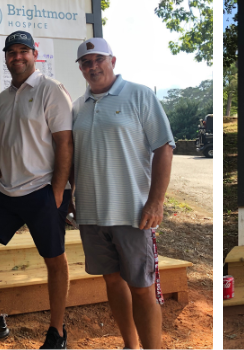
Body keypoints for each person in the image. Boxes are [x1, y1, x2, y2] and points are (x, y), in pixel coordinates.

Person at [0, 32, 75, 349]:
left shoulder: (51, 90)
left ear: (34, 54)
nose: (17, 56)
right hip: (6, 190)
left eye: (23, 50)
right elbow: (5, 144)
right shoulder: (3, 97)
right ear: (6, 58)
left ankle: (57, 332)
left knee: (54, 260)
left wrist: (57, 191)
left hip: (43, 189)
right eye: (11, 52)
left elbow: (65, 142)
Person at [70, 38, 175, 350]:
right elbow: (74, 159)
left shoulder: (139, 95)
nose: (92, 66)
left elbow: (164, 147)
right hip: (91, 215)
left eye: (98, 59)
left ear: (112, 61)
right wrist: (70, 197)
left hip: (133, 213)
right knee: (112, 281)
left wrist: (156, 201)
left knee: (142, 288)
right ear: (80, 68)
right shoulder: (77, 107)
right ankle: (130, 346)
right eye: (85, 62)